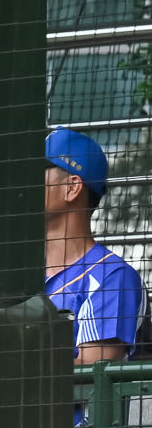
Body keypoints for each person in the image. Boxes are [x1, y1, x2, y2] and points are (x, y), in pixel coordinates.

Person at [46, 127, 143, 367]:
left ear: (72, 187)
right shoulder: (16, 272)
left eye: (39, 171)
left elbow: (91, 379)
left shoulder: (111, 276)